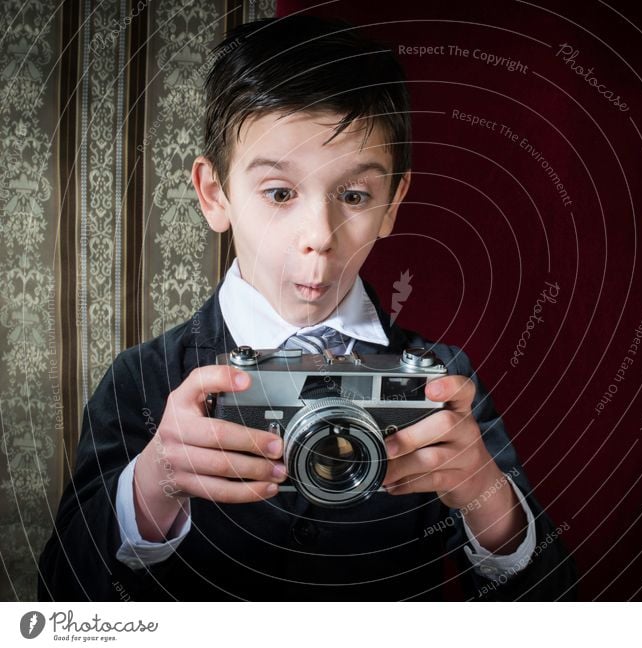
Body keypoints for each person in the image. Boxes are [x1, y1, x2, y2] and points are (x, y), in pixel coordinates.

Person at [38, 15, 577, 601]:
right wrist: (150, 486)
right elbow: (55, 606)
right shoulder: (141, 379)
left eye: (353, 195)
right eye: (279, 193)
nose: (319, 234)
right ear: (214, 194)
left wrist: (485, 496)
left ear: (392, 203)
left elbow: (553, 607)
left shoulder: (439, 380)